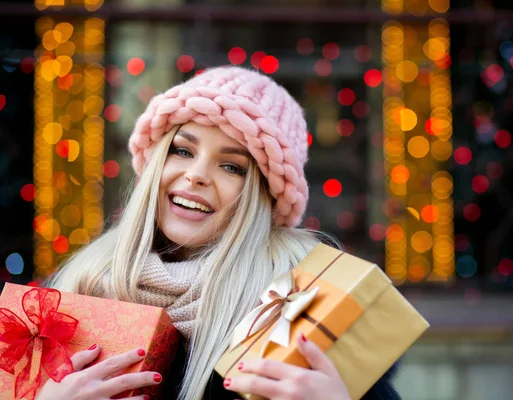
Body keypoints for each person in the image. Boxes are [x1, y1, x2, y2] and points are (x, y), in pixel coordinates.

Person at [40, 66, 401, 400]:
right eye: (182, 150)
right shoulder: (78, 288)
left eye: (232, 166)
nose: (196, 174)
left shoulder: (303, 310)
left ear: (265, 195)